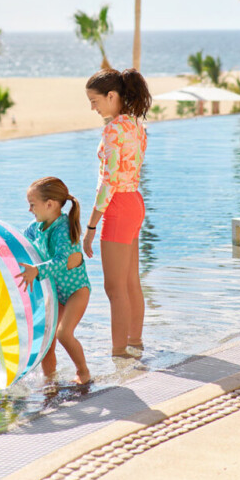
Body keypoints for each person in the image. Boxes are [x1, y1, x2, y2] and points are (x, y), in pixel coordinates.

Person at [83, 68, 151, 358]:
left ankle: (119, 354)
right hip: (135, 201)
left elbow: (108, 181)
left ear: (112, 96)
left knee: (114, 288)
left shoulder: (113, 130)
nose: (93, 108)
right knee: (131, 281)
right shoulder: (136, 126)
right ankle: (135, 343)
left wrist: (90, 227)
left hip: (119, 207)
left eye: (95, 101)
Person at [18, 176, 92, 385]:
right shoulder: (35, 227)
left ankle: (83, 372)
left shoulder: (64, 229)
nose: (30, 210)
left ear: (49, 204)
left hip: (76, 291)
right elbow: (19, 243)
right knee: (46, 340)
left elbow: (62, 262)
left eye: (32, 205)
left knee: (63, 334)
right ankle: (49, 382)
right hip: (57, 292)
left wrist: (36, 271)